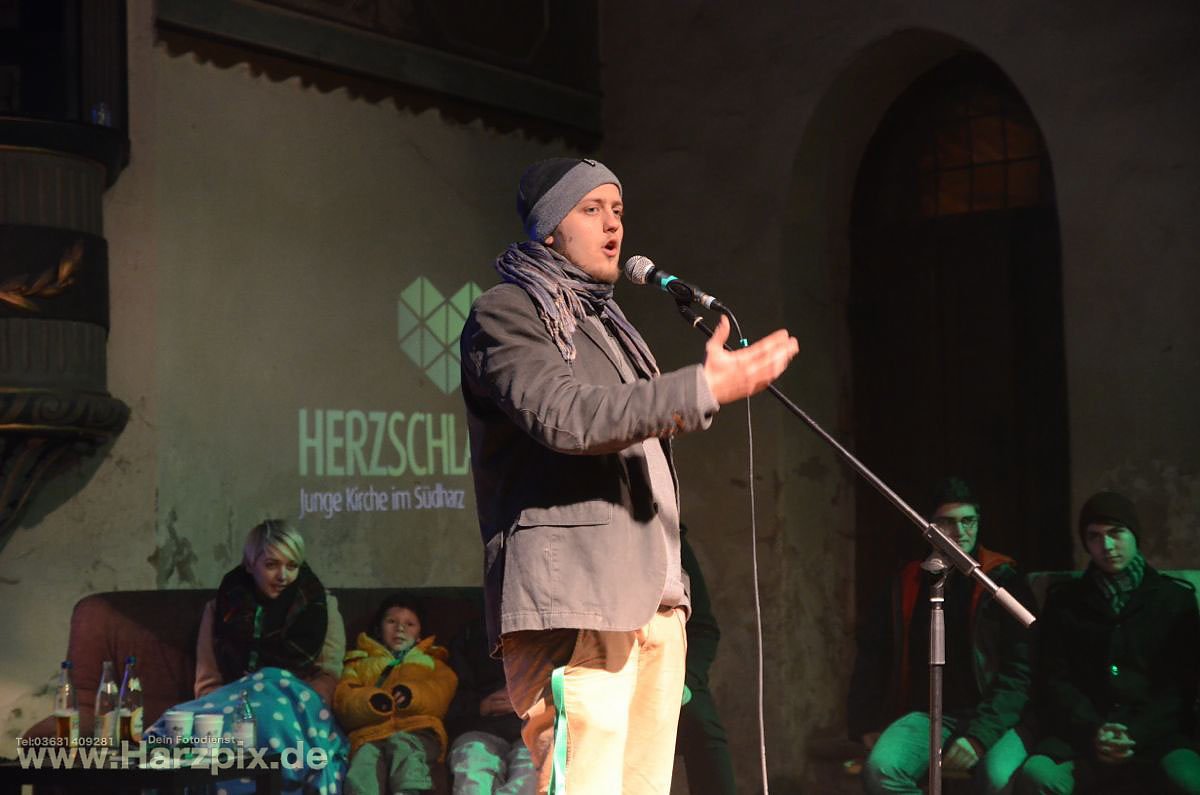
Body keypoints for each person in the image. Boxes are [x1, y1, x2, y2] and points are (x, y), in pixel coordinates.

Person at [459, 157, 798, 794]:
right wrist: (703, 387)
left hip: (652, 602)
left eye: (617, 209)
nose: (613, 224)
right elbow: (565, 417)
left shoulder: (609, 324)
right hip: (577, 601)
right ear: (549, 228)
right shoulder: (507, 313)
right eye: (591, 210)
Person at [847, 477, 1034, 794]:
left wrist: (979, 737)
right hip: (930, 715)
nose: (960, 532)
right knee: (881, 771)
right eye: (947, 522)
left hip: (995, 716)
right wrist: (865, 721)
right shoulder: (909, 582)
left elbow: (1020, 672)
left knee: (997, 779)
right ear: (929, 526)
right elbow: (873, 654)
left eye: (968, 521)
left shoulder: (1002, 579)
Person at [1014, 491, 1200, 795]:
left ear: (1134, 534)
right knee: (1037, 776)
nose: (1107, 546)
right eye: (1095, 537)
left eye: (1116, 533)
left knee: (1189, 779)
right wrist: (1095, 730)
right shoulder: (1065, 602)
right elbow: (1054, 680)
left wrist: (1135, 732)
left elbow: (1181, 689)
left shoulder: (1174, 599)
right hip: (1081, 737)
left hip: (1156, 737)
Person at [148, 519, 349, 794]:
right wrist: (247, 699)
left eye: (292, 566)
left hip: (295, 707)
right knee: (171, 729)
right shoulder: (221, 608)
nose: (283, 576)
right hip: (233, 703)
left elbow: (328, 677)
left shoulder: (320, 605)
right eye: (271, 565)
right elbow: (208, 684)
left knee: (272, 713)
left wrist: (274, 692)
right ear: (250, 564)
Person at [334, 593, 458, 794]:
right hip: (371, 734)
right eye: (391, 621)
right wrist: (371, 702)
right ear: (378, 628)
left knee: (405, 749)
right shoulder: (358, 663)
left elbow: (441, 693)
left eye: (410, 624)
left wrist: (412, 695)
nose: (400, 628)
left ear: (420, 634)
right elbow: (344, 700)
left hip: (418, 729)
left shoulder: (433, 663)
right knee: (363, 765)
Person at [444, 613, 536, 795]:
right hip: (479, 728)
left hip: (531, 728)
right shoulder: (470, 634)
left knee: (531, 770)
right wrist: (481, 706)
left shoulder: (544, 631)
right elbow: (448, 695)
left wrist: (532, 701)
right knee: (472, 768)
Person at [675, 527, 736, 795]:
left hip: (665, 675)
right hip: (601, 671)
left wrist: (687, 682)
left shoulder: (670, 537)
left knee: (702, 723)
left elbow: (703, 628)